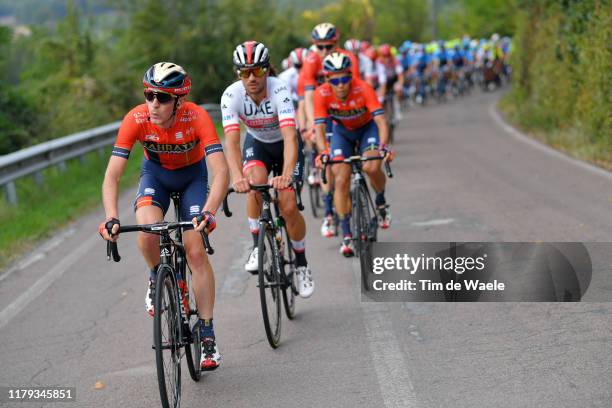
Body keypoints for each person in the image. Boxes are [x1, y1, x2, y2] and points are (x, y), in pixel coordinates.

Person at [99, 62, 229, 370]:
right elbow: (112, 175)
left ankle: (207, 334)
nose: (154, 103)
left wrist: (209, 212)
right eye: (149, 95)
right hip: (155, 177)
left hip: (192, 179)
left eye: (163, 97)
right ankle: (159, 276)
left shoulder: (196, 116)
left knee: (196, 250)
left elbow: (221, 170)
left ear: (179, 101)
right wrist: (111, 217)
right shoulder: (136, 118)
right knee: (147, 232)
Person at [221, 41, 314, 298]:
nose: (251, 78)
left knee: (288, 204)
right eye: (244, 72)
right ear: (237, 73)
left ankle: (302, 264)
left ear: (267, 70)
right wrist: (237, 177)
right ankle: (257, 247)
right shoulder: (231, 95)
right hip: (257, 143)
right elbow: (231, 142)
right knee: (254, 183)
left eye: (257, 71)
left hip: (284, 144)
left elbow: (290, 138)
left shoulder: (280, 90)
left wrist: (286, 175)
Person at [313, 53, 393, 257]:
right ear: (327, 79)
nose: (341, 85)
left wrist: (383, 145)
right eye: (335, 80)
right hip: (342, 133)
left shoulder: (363, 87)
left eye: (345, 79)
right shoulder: (321, 94)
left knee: (371, 166)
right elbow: (320, 129)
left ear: (351, 76)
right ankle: (347, 235)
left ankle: (381, 201)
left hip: (367, 129)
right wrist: (323, 152)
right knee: (340, 179)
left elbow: (381, 121)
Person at [298, 23, 361, 238]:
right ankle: (328, 212)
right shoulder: (311, 60)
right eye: (320, 46)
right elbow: (307, 97)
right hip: (320, 109)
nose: (325, 51)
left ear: (337, 41)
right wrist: (310, 126)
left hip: (342, 110)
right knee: (325, 160)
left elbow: (357, 89)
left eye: (329, 46)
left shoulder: (348, 58)